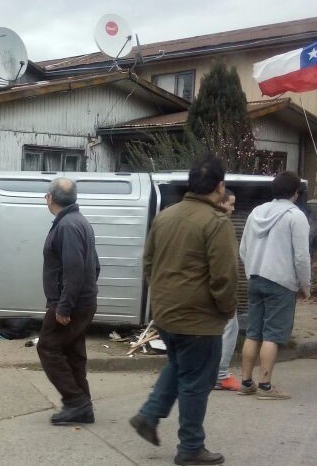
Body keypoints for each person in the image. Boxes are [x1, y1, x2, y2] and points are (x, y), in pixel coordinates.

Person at [129, 157, 237, 466]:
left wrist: (163, 296)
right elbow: (224, 277)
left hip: (166, 314)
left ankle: (148, 415)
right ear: (219, 186)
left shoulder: (166, 216)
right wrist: (227, 310)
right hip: (199, 321)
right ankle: (191, 447)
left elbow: (148, 262)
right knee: (197, 382)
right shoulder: (216, 223)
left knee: (179, 367)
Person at [238, 171, 311, 400]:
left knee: (253, 332)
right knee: (272, 334)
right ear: (296, 192)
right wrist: (305, 284)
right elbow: (301, 256)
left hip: (256, 277)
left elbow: (243, 249)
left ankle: (246, 382)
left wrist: (252, 271)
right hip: (281, 282)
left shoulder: (256, 212)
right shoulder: (295, 216)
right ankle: (266, 386)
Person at [37, 177, 100, 425]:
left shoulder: (68, 226)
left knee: (48, 347)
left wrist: (64, 305)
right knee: (73, 352)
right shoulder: (79, 221)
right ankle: (83, 404)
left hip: (71, 304)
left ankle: (76, 403)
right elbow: (94, 266)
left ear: (50, 198)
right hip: (82, 301)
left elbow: (74, 268)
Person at [214, 189, 241, 391]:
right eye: (230, 204)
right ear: (221, 202)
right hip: (217, 289)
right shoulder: (221, 225)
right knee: (230, 327)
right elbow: (225, 264)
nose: (233, 208)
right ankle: (220, 374)